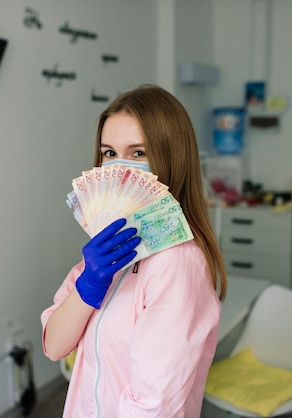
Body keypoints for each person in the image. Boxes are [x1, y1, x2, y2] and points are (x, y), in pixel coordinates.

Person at [41, 84, 227, 417]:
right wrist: (88, 286)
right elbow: (54, 345)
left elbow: (153, 405)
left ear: (172, 157)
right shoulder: (106, 250)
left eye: (138, 153)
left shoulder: (178, 263)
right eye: (109, 153)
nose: (119, 167)